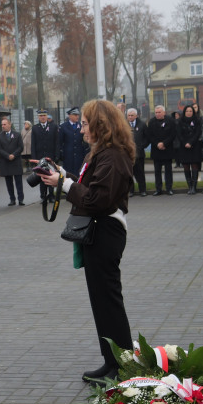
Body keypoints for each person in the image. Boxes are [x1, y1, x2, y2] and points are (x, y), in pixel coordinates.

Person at [39, 100, 135, 384]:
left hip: (106, 231)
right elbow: (90, 188)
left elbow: (97, 199)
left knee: (109, 301)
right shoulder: (103, 154)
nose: (81, 129)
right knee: (100, 302)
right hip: (97, 231)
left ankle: (123, 363)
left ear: (100, 125)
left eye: (84, 123)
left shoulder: (113, 157)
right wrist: (62, 174)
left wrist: (64, 184)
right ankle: (111, 361)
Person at [145, 105, 177, 195]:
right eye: (156, 112)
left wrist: (164, 143)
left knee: (168, 171)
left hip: (167, 149)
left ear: (164, 112)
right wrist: (157, 144)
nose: (157, 114)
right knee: (157, 171)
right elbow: (149, 135)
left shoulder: (170, 121)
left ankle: (169, 188)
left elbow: (173, 134)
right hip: (156, 150)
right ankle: (158, 189)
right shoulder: (151, 122)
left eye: (159, 112)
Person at [31, 110, 59, 201]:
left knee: (51, 175)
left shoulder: (53, 127)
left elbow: (56, 142)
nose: (42, 117)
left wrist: (57, 155)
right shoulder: (35, 128)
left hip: (50, 156)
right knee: (42, 176)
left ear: (47, 116)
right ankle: (43, 196)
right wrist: (34, 157)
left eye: (44, 115)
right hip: (40, 156)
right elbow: (33, 144)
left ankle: (51, 195)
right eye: (41, 116)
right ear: (38, 117)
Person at [0, 117, 25, 206]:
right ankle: (12, 199)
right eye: (2, 124)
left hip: (15, 161)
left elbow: (21, 147)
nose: (3, 126)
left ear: (9, 124)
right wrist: (7, 155)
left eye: (5, 124)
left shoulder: (17, 134)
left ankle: (20, 199)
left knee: (18, 182)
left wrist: (14, 154)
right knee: (9, 183)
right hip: (5, 161)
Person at [176, 104, 203, 195]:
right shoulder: (180, 121)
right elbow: (179, 134)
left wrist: (191, 142)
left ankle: (194, 187)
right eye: (187, 111)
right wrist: (185, 143)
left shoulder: (197, 121)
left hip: (195, 146)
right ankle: (190, 186)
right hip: (184, 147)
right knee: (186, 166)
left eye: (190, 111)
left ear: (193, 112)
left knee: (195, 165)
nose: (189, 113)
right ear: (184, 112)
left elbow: (197, 132)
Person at [125, 109, 148, 197]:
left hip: (139, 154)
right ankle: (131, 191)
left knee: (140, 173)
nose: (130, 117)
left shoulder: (142, 124)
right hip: (128, 155)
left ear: (136, 116)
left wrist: (142, 146)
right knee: (129, 174)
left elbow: (147, 138)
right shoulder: (124, 125)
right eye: (129, 115)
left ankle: (143, 190)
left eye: (132, 115)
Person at [58, 107, 87, 176]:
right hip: (68, 157)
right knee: (68, 175)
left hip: (79, 157)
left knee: (78, 175)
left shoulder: (81, 126)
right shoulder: (63, 127)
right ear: (70, 115)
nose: (77, 116)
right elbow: (60, 142)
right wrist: (61, 154)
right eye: (75, 115)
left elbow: (84, 142)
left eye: (78, 115)